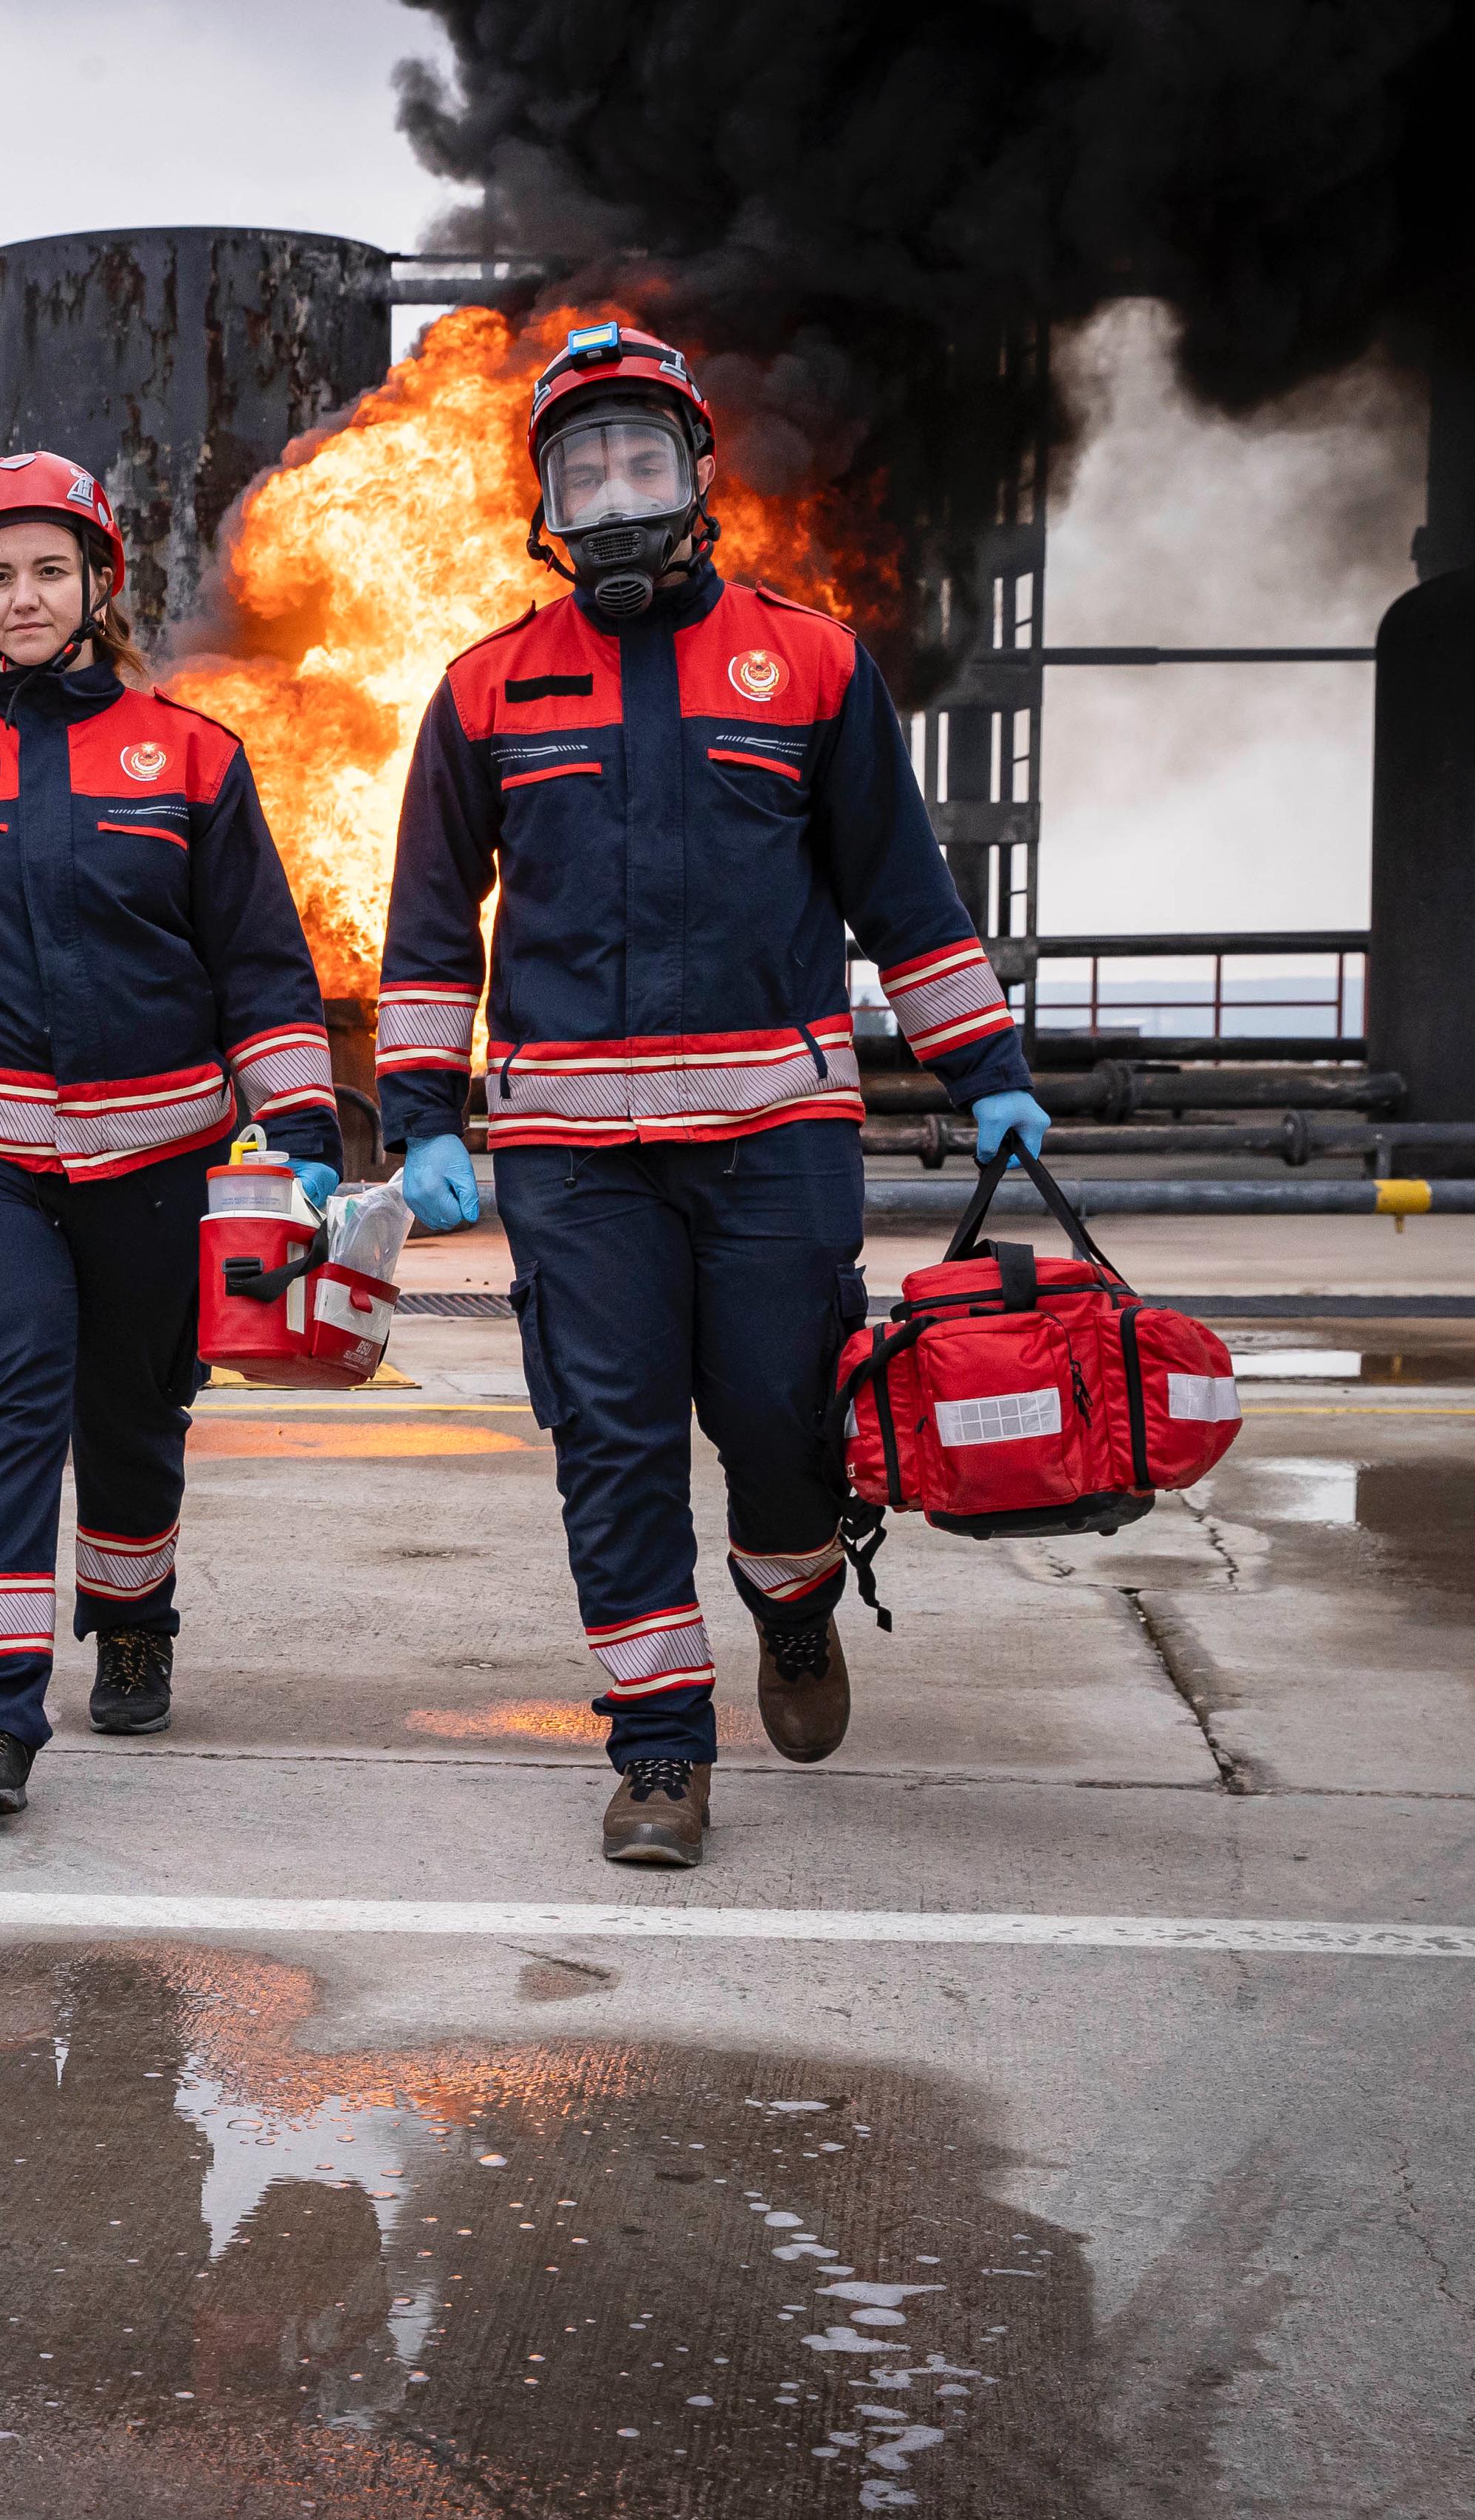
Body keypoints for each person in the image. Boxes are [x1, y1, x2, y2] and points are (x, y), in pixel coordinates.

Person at [376, 323, 1050, 1868]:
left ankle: (796, 1608)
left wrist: (989, 1070)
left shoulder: (808, 661)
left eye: (643, 457)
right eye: (583, 464)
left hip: (773, 1146)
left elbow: (905, 893)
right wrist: (415, 1114)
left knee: (780, 1434)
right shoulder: (482, 693)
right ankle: (661, 1752)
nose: (615, 490)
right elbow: (426, 927)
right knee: (608, 1448)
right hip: (571, 1157)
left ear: (696, 479)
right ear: (545, 501)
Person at [0, 452, 343, 1818]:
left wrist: (303, 1114)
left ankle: (134, 1605)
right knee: (4, 1394)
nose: (24, 597)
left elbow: (260, 963)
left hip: (158, 1150)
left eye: (49, 570)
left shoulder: (197, 758)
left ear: (101, 583)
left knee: (134, 1408)